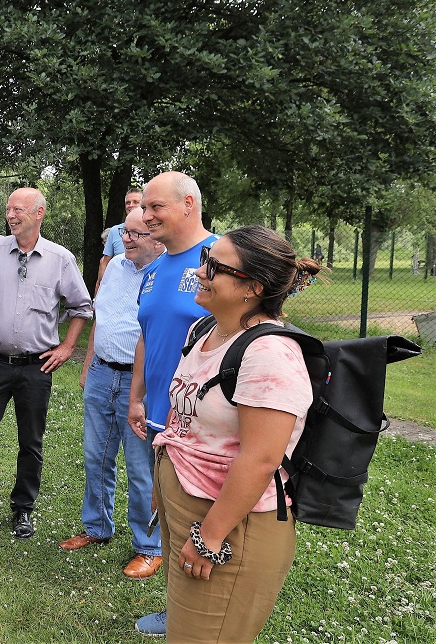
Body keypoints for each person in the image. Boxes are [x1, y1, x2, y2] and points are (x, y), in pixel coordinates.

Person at [154, 225, 320, 643]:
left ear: (253, 288)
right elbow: (186, 421)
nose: (200, 271)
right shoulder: (205, 332)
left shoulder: (268, 353)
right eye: (205, 259)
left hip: (230, 527)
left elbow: (261, 460)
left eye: (215, 266)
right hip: (190, 508)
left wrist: (209, 536)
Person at [0, 187, 92, 539]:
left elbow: (82, 307)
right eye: (9, 209)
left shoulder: (60, 258)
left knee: (31, 441)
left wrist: (67, 348)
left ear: (39, 213)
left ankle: (23, 509)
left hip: (36, 367)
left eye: (19, 209)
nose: (11, 215)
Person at [127, 171, 219, 636]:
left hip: (203, 423)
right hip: (160, 418)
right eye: (144, 208)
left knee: (200, 525)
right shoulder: (156, 267)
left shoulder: (221, 258)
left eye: (155, 207)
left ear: (188, 204)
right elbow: (147, 333)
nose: (145, 217)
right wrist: (137, 396)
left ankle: (200, 615)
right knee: (169, 518)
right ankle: (178, 608)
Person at [61, 208, 164, 579]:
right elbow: (100, 318)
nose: (127, 239)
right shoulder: (116, 266)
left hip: (141, 384)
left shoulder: (165, 272)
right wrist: (89, 365)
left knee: (140, 468)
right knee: (96, 457)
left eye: (136, 233)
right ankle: (97, 528)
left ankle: (149, 547)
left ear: (156, 236)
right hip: (103, 374)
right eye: (125, 231)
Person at [96, 188, 144, 293]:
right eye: (128, 203)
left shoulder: (151, 229)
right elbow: (104, 262)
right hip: (118, 290)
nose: (131, 205)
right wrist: (101, 291)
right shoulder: (114, 231)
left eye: (136, 202)